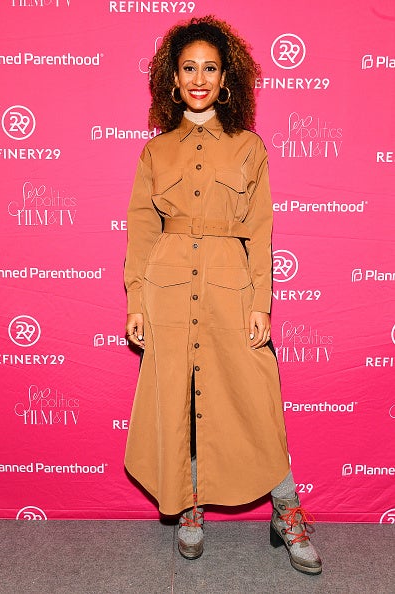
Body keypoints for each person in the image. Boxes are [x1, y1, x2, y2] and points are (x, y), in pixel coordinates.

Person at [124, 15, 322, 576]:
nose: (199, 78)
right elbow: (142, 230)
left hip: (230, 287)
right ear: (172, 79)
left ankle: (287, 511)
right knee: (182, 397)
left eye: (210, 67)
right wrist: (136, 299)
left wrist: (261, 303)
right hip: (166, 287)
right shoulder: (155, 152)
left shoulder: (248, 147)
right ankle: (190, 504)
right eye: (189, 68)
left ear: (226, 78)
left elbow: (260, 231)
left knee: (256, 398)